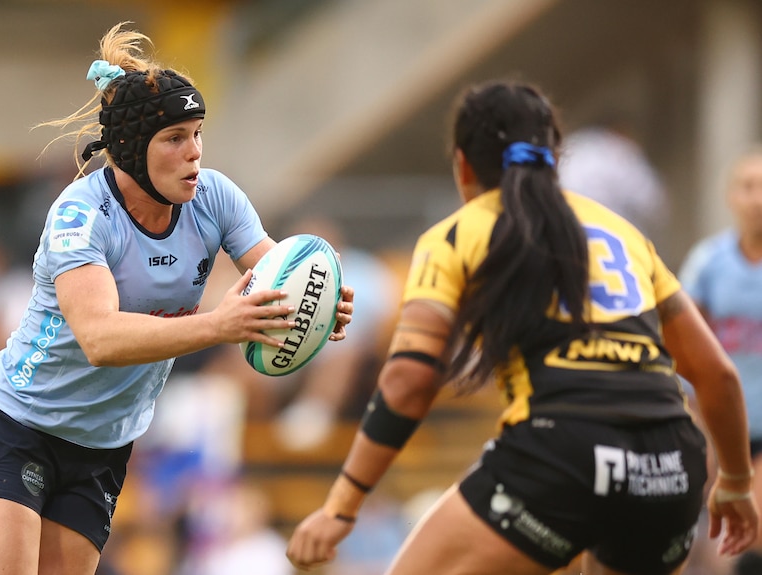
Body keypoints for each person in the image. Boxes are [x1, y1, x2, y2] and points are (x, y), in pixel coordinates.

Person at [286, 80, 758, 575]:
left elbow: (410, 379)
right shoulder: (623, 233)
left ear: (463, 165)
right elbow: (717, 374)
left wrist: (341, 507)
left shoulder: (459, 232)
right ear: (555, 158)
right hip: (668, 465)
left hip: (562, 453)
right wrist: (735, 481)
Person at [0, 22, 353, 575]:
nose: (195, 153)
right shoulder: (81, 215)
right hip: (14, 425)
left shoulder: (215, 197)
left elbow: (277, 278)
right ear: (132, 149)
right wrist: (219, 325)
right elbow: (100, 339)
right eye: (174, 138)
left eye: (198, 133)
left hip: (101, 446)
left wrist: (317, 303)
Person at [678, 147, 762, 573]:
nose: (758, 198)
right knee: (712, 532)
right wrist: (698, 421)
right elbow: (682, 344)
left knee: (754, 527)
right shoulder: (708, 262)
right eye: (748, 186)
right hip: (718, 421)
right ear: (731, 195)